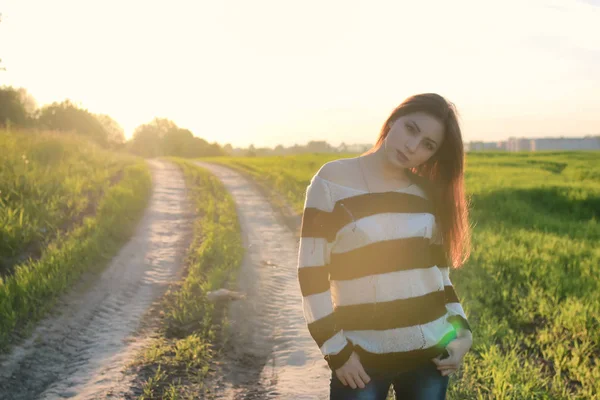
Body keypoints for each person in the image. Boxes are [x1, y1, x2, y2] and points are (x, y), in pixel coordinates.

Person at [296, 93, 473, 400]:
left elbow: (439, 276)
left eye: (428, 145)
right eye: (411, 129)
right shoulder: (331, 182)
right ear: (393, 120)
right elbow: (311, 276)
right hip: (362, 359)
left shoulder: (424, 195)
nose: (412, 146)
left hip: (429, 355)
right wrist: (336, 352)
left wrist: (463, 333)